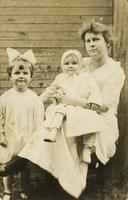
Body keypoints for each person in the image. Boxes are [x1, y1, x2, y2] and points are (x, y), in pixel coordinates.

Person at [18, 21, 125, 198]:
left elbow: (105, 106)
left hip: (101, 119)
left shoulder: (115, 71)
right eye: (88, 41)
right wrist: (55, 96)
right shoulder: (81, 62)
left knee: (65, 127)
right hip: (70, 112)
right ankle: (60, 185)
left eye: (96, 39)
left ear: (107, 42)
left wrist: (71, 100)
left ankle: (57, 183)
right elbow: (62, 82)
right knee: (59, 124)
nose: (91, 44)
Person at [40, 49, 104, 163]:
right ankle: (53, 131)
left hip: (80, 106)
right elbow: (50, 90)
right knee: (59, 110)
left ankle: (87, 148)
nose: (70, 66)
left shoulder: (86, 78)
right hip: (65, 105)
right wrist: (40, 100)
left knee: (93, 119)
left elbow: (95, 91)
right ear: (62, 65)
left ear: (80, 65)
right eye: (66, 63)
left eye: (74, 63)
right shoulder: (60, 78)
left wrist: (95, 101)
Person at [0, 48, 44, 200]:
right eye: (17, 73)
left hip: (27, 138)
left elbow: (39, 121)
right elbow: (0, 118)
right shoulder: (5, 98)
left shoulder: (35, 99)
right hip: (9, 138)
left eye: (25, 73)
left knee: (23, 166)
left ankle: (22, 188)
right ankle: (7, 190)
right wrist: (1, 135)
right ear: (10, 76)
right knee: (7, 165)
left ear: (31, 77)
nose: (21, 76)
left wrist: (36, 139)